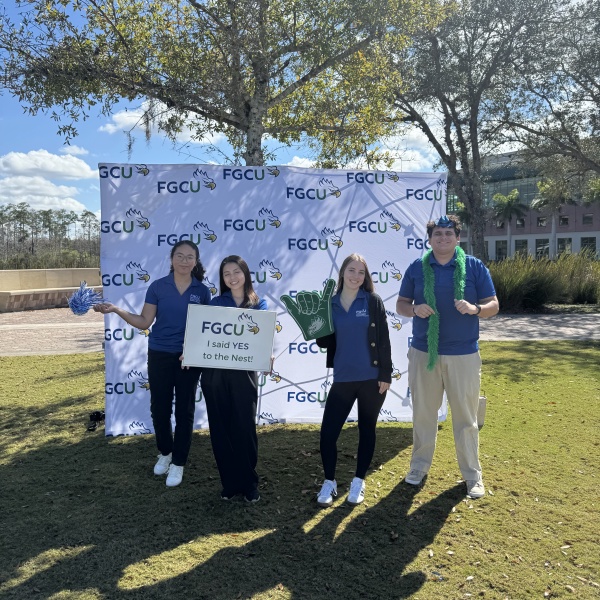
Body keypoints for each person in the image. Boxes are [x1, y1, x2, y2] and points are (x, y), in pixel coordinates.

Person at [396, 215, 499, 499]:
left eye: (448, 233)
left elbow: (493, 305)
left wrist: (475, 309)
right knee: (423, 415)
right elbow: (401, 304)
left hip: (463, 354)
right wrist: (415, 309)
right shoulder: (417, 267)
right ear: (430, 239)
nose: (443, 238)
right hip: (423, 352)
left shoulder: (475, 267)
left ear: (457, 237)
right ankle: (418, 467)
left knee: (466, 418)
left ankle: (472, 475)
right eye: (438, 234)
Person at [95, 241, 211, 487]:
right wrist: (116, 309)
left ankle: (179, 463)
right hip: (159, 354)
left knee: (185, 410)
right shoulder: (158, 286)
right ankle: (165, 453)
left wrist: (193, 351)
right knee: (159, 408)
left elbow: (204, 328)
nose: (184, 261)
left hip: (188, 358)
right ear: (171, 259)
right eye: (179, 256)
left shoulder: (202, 291)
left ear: (195, 261)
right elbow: (144, 321)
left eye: (189, 257)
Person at [314, 253, 392, 507]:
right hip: (343, 378)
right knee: (328, 434)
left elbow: (383, 340)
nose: (356, 276)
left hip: (372, 379)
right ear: (342, 272)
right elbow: (324, 342)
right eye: (351, 270)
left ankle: (359, 480)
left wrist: (385, 375)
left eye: (361, 272)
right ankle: (330, 481)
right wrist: (315, 323)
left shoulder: (372, 301)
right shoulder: (330, 303)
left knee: (366, 429)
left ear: (365, 276)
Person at [200, 255, 268, 503]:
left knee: (245, 428)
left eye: (236, 272)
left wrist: (266, 355)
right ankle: (229, 483)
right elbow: (203, 335)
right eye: (227, 274)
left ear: (246, 274)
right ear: (223, 278)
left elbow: (262, 341)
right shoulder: (215, 303)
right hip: (214, 375)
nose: (232, 277)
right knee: (220, 429)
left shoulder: (259, 304)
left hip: (244, 376)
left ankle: (249, 483)